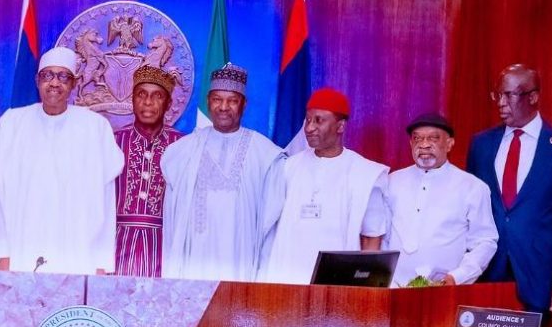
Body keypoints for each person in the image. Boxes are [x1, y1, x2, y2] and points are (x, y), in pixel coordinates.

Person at [0, 46, 123, 275]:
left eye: (63, 76)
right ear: (37, 81)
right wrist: (1, 253)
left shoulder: (95, 127)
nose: (54, 83)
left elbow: (106, 201)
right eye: (47, 75)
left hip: (78, 253)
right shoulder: (12, 123)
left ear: (74, 83)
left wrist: (101, 262)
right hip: (21, 249)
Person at [466, 64, 552, 317]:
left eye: (509, 95)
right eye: (498, 94)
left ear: (533, 97)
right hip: (486, 274)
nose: (501, 103)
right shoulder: (481, 144)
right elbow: (467, 212)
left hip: (540, 279)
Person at [161, 63, 285, 281]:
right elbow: (173, 216)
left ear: (244, 105)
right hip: (195, 259)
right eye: (217, 99)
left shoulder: (264, 154)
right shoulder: (183, 150)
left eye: (232, 100)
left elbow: (270, 222)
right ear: (208, 102)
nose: (223, 107)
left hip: (240, 257)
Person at [261, 88, 390, 284]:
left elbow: (371, 237)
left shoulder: (364, 174)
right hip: (287, 281)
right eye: (308, 120)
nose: (309, 128)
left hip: (337, 283)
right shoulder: (287, 167)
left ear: (340, 126)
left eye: (319, 120)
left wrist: (365, 287)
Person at [385, 112, 497, 286]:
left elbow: (485, 241)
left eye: (433, 138)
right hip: (393, 289)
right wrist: (386, 280)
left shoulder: (472, 187)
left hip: (445, 290)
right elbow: (381, 236)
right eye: (417, 138)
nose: (424, 145)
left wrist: (458, 277)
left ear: (449, 144)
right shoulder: (392, 181)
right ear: (410, 143)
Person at [112, 65, 183, 276]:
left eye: (157, 96)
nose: (148, 102)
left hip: (165, 247)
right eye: (141, 94)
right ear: (132, 100)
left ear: (168, 103)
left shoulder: (183, 146)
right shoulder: (113, 141)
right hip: (117, 245)